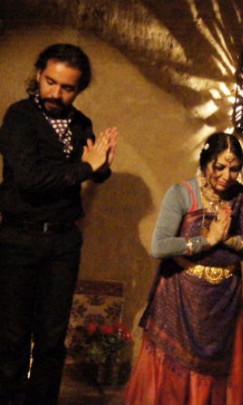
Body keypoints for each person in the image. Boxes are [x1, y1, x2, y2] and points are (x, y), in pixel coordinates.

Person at [0, 43, 117, 405]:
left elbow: (94, 171)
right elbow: (31, 180)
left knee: (52, 339)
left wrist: (102, 165)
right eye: (50, 82)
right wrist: (85, 167)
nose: (56, 93)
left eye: (67, 87)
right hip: (19, 238)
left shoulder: (81, 123)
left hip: (63, 242)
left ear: (78, 88)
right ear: (38, 74)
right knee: (12, 337)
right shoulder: (20, 117)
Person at [124, 132, 243, 405]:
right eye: (219, 167)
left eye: (234, 169)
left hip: (223, 301)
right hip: (181, 298)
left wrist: (229, 239)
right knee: (174, 374)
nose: (226, 176)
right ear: (205, 162)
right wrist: (206, 241)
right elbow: (159, 246)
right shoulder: (182, 193)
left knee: (216, 372)